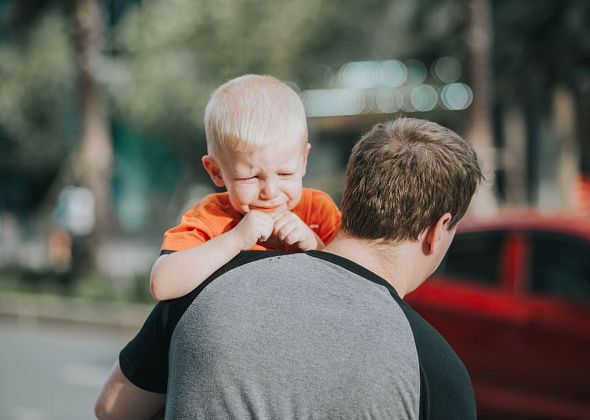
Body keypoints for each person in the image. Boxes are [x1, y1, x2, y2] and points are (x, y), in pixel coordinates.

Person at [96, 117, 483, 419]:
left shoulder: (206, 286)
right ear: (436, 232)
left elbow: (112, 409)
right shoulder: (436, 370)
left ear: (350, 198)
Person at [149, 74, 341, 301]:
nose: (270, 192)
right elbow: (162, 285)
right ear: (216, 171)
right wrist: (235, 239)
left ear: (303, 160)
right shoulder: (211, 218)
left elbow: (353, 286)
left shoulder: (318, 210)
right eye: (250, 178)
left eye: (285, 173)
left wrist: (314, 245)